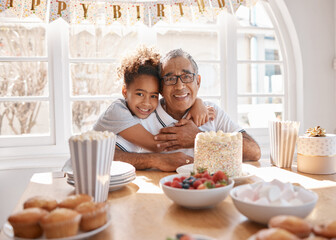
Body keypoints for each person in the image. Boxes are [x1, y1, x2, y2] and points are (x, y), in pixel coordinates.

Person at [111, 48, 261, 171]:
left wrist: (200, 139)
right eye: (170, 79)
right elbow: (111, 155)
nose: (179, 86)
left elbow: (254, 151)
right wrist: (156, 160)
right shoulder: (145, 115)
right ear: (161, 88)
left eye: (187, 76)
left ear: (198, 81)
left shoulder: (212, 112)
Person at [93, 46, 214, 154]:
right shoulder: (117, 111)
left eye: (153, 96)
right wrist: (194, 138)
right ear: (124, 92)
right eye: (140, 94)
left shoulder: (140, 114)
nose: (146, 103)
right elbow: (157, 145)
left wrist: (197, 102)